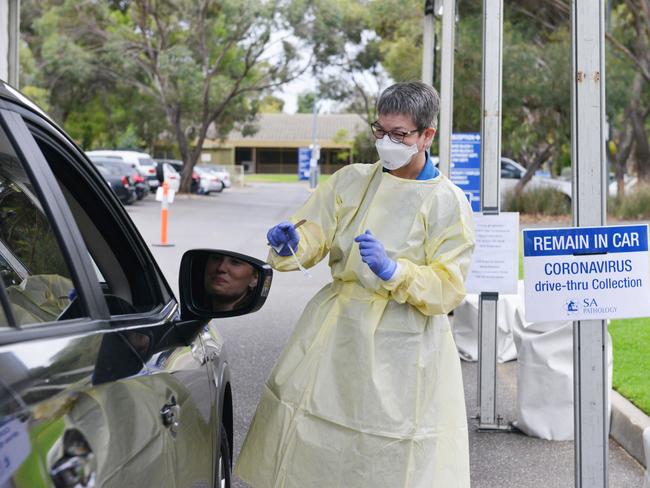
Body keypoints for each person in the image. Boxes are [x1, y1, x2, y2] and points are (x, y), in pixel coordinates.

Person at [235, 81, 475, 487]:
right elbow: (316, 231)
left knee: (392, 449)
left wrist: (395, 271)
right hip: (336, 331)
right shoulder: (352, 180)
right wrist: (295, 240)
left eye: (399, 134)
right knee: (313, 431)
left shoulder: (447, 200)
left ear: (426, 135)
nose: (386, 141)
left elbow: (448, 286)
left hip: (404, 345)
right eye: (379, 131)